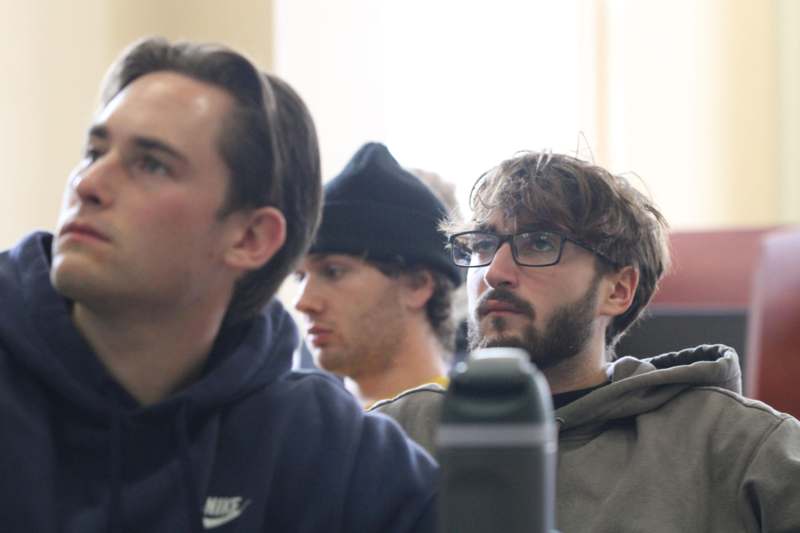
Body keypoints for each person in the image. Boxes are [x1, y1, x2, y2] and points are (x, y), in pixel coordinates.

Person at [0, 38, 437, 533]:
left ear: (250, 238)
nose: (87, 184)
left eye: (151, 164)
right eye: (94, 151)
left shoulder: (330, 451)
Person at [374, 151, 800, 532]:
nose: (494, 272)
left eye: (539, 243)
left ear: (618, 290)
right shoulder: (396, 434)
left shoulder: (739, 447)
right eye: (483, 244)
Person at [294, 142, 463, 407]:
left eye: (333, 271)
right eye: (300, 277)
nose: (303, 303)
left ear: (417, 285)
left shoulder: (471, 435)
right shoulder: (304, 430)